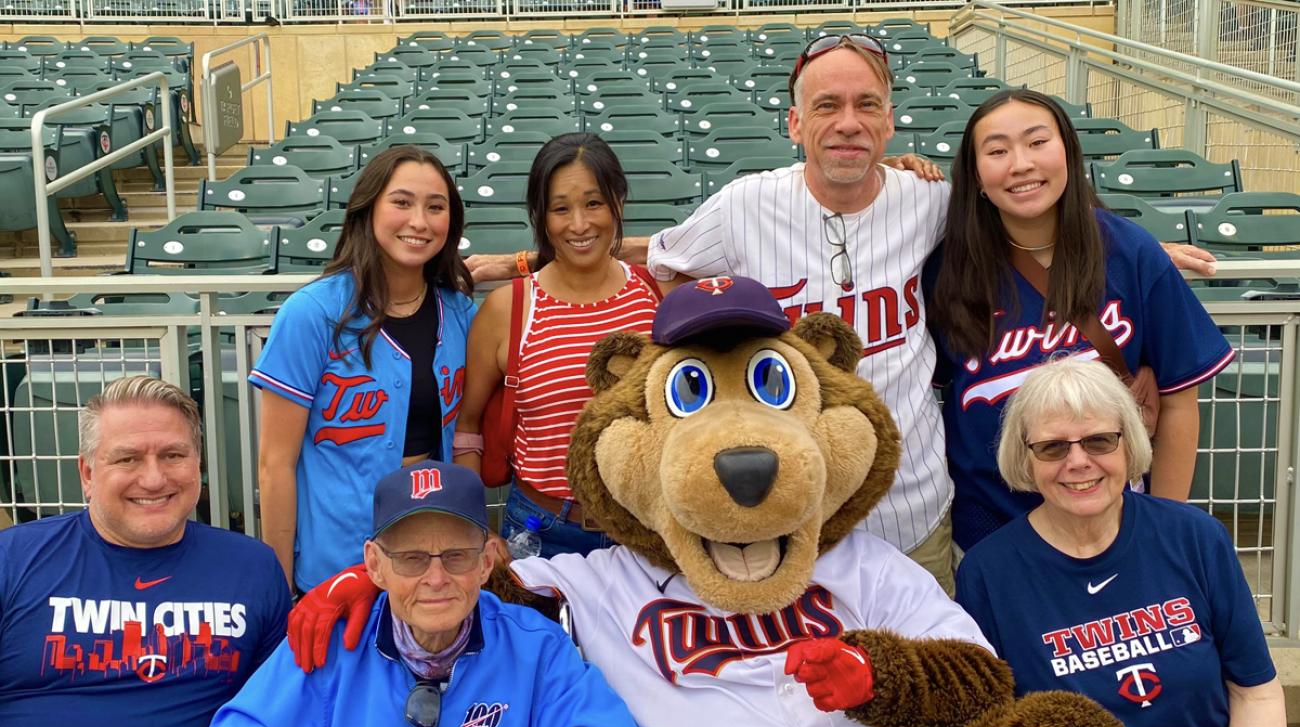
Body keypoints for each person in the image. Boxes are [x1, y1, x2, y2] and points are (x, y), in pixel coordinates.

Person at [467, 36, 1218, 595]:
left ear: (891, 122)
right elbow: (645, 251)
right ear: (795, 124)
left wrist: (1133, 238)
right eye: (826, 105)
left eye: (866, 105)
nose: (848, 122)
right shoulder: (743, 207)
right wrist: (526, 262)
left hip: (915, 515)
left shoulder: (931, 201)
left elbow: (1025, 199)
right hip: (785, 516)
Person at [168, 460, 675, 727]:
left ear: (486, 561)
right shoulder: (327, 648)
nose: (436, 578)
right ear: (373, 564)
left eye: (455, 555)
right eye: (411, 558)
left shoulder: (535, 650)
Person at [955, 356, 1298, 727]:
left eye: (1098, 441)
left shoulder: (1195, 538)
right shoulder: (988, 572)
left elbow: (1255, 692)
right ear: (1025, 461)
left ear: (1129, 443)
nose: (1078, 462)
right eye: (1052, 447)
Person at [925, 89, 1234, 553]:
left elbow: (1178, 402)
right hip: (991, 529)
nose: (1021, 164)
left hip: (1115, 520)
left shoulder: (1129, 251)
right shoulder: (947, 270)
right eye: (997, 151)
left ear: (1068, 152)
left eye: (1037, 142)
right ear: (975, 175)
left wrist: (1165, 527)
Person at [0, 376, 291, 727]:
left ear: (198, 465)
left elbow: (279, 725)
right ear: (87, 473)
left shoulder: (252, 568)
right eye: (128, 458)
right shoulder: (14, 560)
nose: (154, 478)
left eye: (173, 456)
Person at [252, 145, 477, 592]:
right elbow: (275, 464)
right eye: (402, 202)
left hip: (430, 565)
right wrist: (279, 588)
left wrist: (517, 263)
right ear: (367, 209)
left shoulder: (460, 314)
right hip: (334, 563)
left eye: (436, 207)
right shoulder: (312, 313)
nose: (419, 221)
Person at [455, 133, 659, 558]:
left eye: (594, 203)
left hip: (649, 529)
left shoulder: (658, 294)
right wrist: (478, 531)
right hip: (540, 532)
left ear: (618, 203)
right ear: (541, 217)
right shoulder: (508, 308)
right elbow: (467, 429)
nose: (579, 224)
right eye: (560, 209)